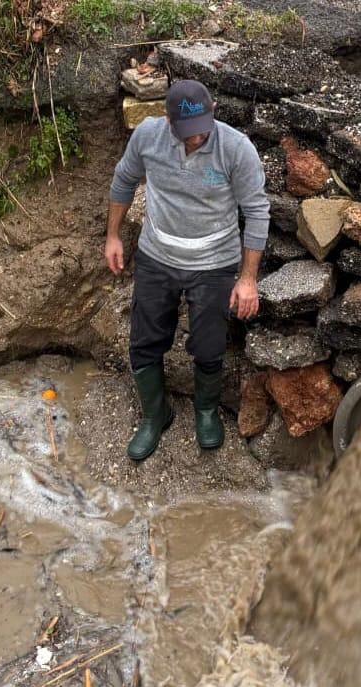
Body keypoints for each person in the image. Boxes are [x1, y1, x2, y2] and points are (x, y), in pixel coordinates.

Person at [104, 79, 270, 461]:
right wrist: (113, 236)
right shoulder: (148, 136)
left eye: (200, 132)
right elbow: (124, 180)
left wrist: (247, 279)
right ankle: (154, 414)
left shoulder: (235, 147)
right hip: (156, 256)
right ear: (167, 119)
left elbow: (257, 211)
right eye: (185, 134)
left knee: (210, 345)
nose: (195, 141)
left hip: (214, 263)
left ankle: (206, 410)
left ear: (213, 110)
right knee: (144, 341)